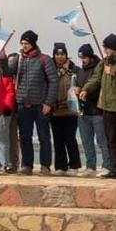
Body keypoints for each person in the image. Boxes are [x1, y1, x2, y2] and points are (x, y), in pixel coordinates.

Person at [0, 30, 57, 175]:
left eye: (26, 43)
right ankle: (27, 165)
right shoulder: (18, 59)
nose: (24, 46)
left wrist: (48, 103)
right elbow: (7, 72)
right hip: (22, 105)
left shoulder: (45, 59)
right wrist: (3, 59)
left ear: (33, 43)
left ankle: (45, 165)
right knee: (25, 136)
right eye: (22, 43)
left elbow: (53, 81)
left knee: (44, 136)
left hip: (40, 105)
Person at [80, 33, 116, 179]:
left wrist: (114, 73)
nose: (105, 51)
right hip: (107, 107)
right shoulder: (104, 63)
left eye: (107, 48)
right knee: (111, 139)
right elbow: (95, 78)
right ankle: (114, 168)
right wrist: (85, 89)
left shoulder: (112, 66)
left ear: (114, 48)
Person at [74, 43, 110, 176]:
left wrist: (86, 90)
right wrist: (77, 90)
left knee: (102, 141)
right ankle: (90, 166)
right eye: (81, 58)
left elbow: (98, 85)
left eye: (84, 57)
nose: (82, 60)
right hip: (83, 111)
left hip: (97, 111)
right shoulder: (80, 71)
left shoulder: (100, 68)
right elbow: (77, 84)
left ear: (90, 56)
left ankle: (107, 165)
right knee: (87, 141)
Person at [50, 43, 81, 175]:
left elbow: (81, 85)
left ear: (66, 55)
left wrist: (79, 89)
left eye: (62, 54)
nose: (60, 57)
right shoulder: (50, 70)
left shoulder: (74, 70)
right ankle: (60, 166)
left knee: (70, 138)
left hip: (70, 110)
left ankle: (74, 165)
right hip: (55, 110)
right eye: (57, 54)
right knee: (57, 139)